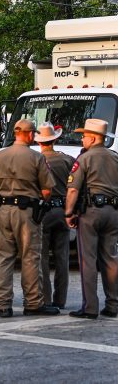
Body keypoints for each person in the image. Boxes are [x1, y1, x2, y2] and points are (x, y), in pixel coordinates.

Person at [0, 119, 59, 318]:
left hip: (3, 210)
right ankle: (33, 302)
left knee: (4, 257)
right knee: (30, 256)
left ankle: (3, 304)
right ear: (29, 134)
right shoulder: (36, 157)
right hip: (27, 213)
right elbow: (47, 190)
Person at [65, 119, 118, 319]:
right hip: (113, 212)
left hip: (91, 212)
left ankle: (90, 307)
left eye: (84, 136)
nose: (82, 139)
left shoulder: (85, 158)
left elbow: (73, 190)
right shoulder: (115, 157)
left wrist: (69, 213)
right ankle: (113, 305)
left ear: (93, 138)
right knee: (111, 259)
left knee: (88, 260)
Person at [35, 122, 74, 309]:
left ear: (39, 142)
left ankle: (46, 299)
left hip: (43, 211)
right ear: (55, 140)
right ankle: (61, 299)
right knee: (62, 257)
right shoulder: (67, 160)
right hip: (63, 211)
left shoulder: (36, 160)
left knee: (42, 258)